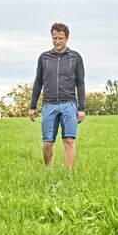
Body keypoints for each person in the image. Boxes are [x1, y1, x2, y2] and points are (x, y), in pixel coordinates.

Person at [29, 22, 86, 168]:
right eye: (55, 38)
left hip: (69, 104)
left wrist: (81, 108)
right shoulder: (44, 58)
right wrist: (32, 106)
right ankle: (48, 168)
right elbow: (38, 82)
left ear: (67, 38)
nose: (57, 41)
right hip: (49, 104)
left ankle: (68, 172)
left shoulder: (75, 58)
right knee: (47, 142)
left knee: (69, 140)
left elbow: (80, 83)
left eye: (61, 38)